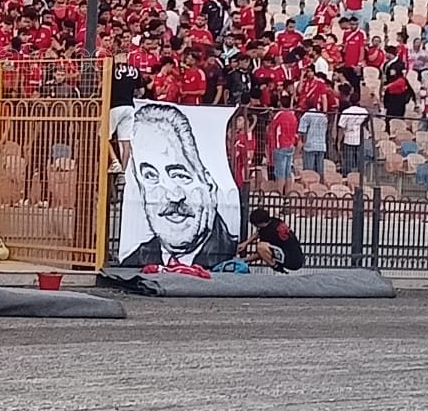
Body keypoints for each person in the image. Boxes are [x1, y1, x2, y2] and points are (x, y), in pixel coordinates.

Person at [119, 101, 239, 269]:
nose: (172, 196)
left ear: (209, 186)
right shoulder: (135, 260)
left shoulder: (226, 259)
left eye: (180, 175)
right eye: (150, 176)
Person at [239, 207, 305, 273]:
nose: (256, 227)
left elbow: (261, 253)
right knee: (263, 247)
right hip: (297, 256)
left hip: (291, 262)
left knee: (260, 246)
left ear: (261, 223)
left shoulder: (269, 233)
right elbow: (258, 233)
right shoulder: (274, 221)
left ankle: (278, 268)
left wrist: (244, 260)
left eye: (256, 225)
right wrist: (245, 243)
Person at [108, 51, 142, 173]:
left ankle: (115, 161)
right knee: (125, 140)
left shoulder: (111, 69)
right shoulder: (135, 70)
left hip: (115, 106)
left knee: (103, 136)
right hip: (129, 106)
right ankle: (123, 171)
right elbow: (141, 91)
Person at [266, 97, 298, 184]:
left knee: (280, 174)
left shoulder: (279, 115)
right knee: (287, 172)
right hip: (290, 145)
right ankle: (288, 191)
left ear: (280, 103)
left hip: (280, 146)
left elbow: (272, 129)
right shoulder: (293, 116)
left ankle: (279, 191)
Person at [337, 95, 369, 175]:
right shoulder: (364, 111)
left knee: (348, 161)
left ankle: (348, 176)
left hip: (348, 138)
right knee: (359, 160)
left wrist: (339, 141)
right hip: (359, 138)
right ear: (359, 101)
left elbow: (341, 127)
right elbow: (366, 122)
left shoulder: (346, 112)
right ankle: (359, 176)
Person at [297, 104, 328, 179]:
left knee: (309, 171)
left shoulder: (306, 115)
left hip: (310, 145)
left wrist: (303, 144)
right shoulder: (323, 116)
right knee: (320, 171)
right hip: (321, 145)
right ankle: (320, 184)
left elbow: (302, 131)